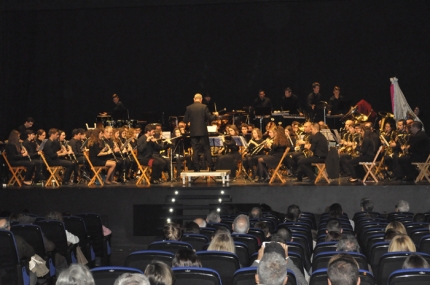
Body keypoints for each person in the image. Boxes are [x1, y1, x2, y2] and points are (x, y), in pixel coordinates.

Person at [183, 93, 218, 172]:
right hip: (203, 132)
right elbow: (210, 118)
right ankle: (211, 166)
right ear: (201, 99)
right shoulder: (204, 107)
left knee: (195, 150)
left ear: (194, 99)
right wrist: (215, 115)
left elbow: (185, 120)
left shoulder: (189, 108)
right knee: (206, 149)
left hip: (193, 132)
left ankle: (196, 167)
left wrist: (190, 122)